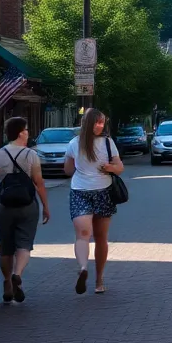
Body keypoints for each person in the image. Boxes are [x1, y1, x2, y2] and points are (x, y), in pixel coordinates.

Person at [0, 116, 50, 304]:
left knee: (6, 246)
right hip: (27, 204)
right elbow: (39, 183)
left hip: (3, 205)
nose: (28, 133)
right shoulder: (31, 155)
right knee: (24, 244)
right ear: (21, 133)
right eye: (27, 130)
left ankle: (7, 282)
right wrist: (45, 206)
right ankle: (17, 273)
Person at [64, 108, 124, 294]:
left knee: (97, 237)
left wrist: (110, 167)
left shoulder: (107, 142)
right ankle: (85, 271)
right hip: (83, 192)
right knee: (86, 234)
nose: (100, 126)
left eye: (102, 122)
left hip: (102, 192)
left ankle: (96, 277)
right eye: (97, 122)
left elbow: (119, 167)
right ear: (88, 123)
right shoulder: (75, 143)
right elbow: (67, 169)